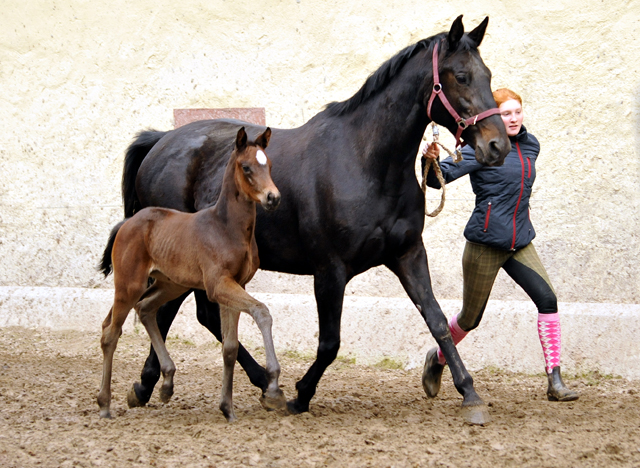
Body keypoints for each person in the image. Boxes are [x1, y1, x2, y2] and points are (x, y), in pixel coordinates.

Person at [421, 88, 579, 402]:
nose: (513, 118)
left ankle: (555, 381)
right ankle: (437, 359)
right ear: (494, 116)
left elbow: (521, 189)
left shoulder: (531, 145)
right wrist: (433, 160)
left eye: (517, 112)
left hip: (520, 242)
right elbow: (440, 178)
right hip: (485, 243)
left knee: (548, 300)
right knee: (470, 319)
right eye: (506, 113)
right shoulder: (482, 147)